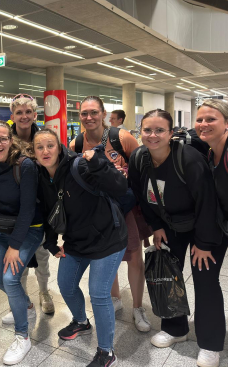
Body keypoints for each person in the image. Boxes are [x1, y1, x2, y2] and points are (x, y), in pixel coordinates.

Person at [129, 109, 228, 367]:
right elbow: (141, 196)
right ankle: (175, 329)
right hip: (168, 225)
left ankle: (210, 344)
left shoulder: (188, 159)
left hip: (204, 226)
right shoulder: (139, 159)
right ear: (140, 132)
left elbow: (208, 203)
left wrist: (203, 244)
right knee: (168, 275)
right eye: (147, 130)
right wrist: (155, 226)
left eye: (160, 130)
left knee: (205, 280)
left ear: (170, 133)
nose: (153, 135)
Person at [35, 128, 128, 367]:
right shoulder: (41, 176)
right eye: (39, 147)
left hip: (107, 238)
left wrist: (98, 163)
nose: (45, 151)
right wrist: (50, 241)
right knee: (66, 284)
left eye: (50, 145)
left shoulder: (81, 166)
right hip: (76, 241)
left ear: (59, 147)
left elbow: (120, 186)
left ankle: (107, 352)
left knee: (98, 294)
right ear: (34, 152)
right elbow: (48, 210)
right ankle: (81, 322)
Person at [72, 96, 151, 332]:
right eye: (84, 113)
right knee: (106, 256)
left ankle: (138, 307)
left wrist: (123, 174)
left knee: (134, 256)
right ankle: (115, 298)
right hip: (97, 211)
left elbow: (142, 169)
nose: (89, 117)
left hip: (125, 208)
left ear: (103, 114)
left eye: (94, 112)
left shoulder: (121, 138)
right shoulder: (76, 143)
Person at [0, 120, 43, 365]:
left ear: (11, 140)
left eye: (3, 138)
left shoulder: (25, 165)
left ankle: (22, 336)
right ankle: (26, 306)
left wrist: (15, 246)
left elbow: (28, 209)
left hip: (29, 228)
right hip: (3, 226)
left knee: (10, 279)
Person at [195, 100, 228, 365]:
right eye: (200, 119)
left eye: (211, 119)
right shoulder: (209, 151)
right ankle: (210, 344)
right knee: (204, 274)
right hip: (225, 223)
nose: (203, 124)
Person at [6, 94, 54, 317]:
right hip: (15, 210)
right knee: (19, 257)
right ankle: (22, 297)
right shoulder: (5, 140)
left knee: (42, 256)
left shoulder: (44, 137)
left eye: (28, 112)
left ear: (35, 115)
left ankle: (44, 292)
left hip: (41, 209)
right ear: (13, 116)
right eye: (19, 112)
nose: (24, 116)